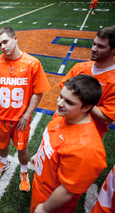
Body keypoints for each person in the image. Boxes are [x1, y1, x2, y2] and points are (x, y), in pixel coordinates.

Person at [0, 26, 51, 192]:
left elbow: (37, 92)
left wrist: (27, 115)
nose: (3, 46)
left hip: (20, 119)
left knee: (22, 148)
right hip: (0, 117)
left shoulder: (32, 63)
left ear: (15, 38)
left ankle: (24, 172)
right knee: (1, 144)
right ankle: (3, 163)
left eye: (5, 41)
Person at [30, 74, 107, 213]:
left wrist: (45, 208)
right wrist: (39, 153)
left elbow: (68, 190)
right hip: (40, 186)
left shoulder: (86, 148)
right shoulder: (65, 115)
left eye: (69, 102)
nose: (59, 103)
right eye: (61, 96)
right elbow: (52, 137)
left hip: (51, 201)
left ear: (86, 108)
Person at [60, 25, 115, 139]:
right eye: (94, 44)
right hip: (63, 125)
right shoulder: (80, 67)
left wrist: (79, 99)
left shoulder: (113, 81)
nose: (94, 49)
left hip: (87, 136)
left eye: (100, 46)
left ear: (113, 50)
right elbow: (63, 89)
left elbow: (106, 118)